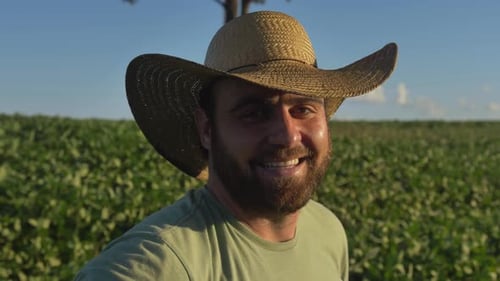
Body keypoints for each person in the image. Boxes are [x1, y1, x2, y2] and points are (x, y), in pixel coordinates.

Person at [75, 10, 397, 281]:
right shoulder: (156, 264)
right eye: (253, 113)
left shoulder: (328, 233)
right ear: (206, 129)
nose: (287, 136)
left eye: (303, 109)